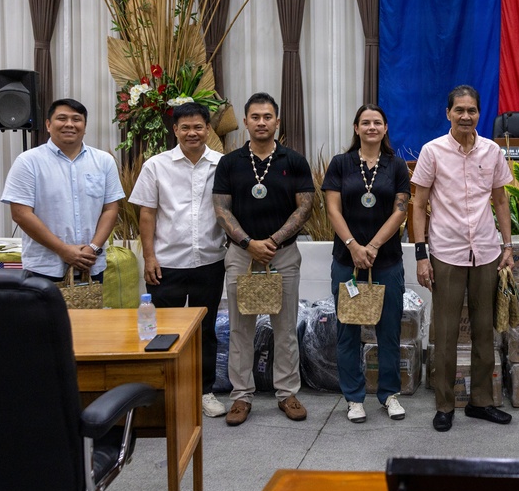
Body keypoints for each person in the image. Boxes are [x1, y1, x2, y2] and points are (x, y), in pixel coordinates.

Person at [412, 85, 515, 432]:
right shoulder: (433, 152)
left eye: (472, 110)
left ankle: (481, 402)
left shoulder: (492, 150)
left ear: (479, 113)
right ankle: (445, 404)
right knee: (447, 333)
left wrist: (508, 245)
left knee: (485, 331)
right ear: (448, 113)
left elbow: (501, 201)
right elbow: (418, 204)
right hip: (446, 252)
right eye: (459, 110)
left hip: (486, 251)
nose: (466, 116)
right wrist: (421, 253)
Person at [213, 92, 314, 426]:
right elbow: (221, 209)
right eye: (255, 117)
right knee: (240, 330)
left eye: (267, 116)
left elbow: (304, 207)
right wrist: (247, 242)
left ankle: (287, 393)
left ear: (277, 121)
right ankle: (241, 397)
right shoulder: (230, 163)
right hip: (241, 256)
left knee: (285, 328)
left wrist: (272, 241)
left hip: (282, 256)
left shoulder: (293, 160)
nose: (261, 122)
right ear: (245, 122)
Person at [128, 102, 227, 418]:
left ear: (208, 129)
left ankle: (204, 391)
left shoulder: (222, 165)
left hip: (210, 261)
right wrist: (149, 256)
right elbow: (147, 212)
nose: (192, 133)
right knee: (162, 331)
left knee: (205, 330)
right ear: (175, 131)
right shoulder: (156, 166)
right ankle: (164, 393)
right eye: (185, 127)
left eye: (198, 126)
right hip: (166, 263)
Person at [324, 104, 410, 423]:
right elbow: (333, 210)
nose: (371, 127)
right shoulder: (340, 164)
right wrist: (353, 246)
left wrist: (372, 245)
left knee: (388, 330)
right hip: (347, 262)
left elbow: (400, 211)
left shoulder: (396, 165)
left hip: (386, 261)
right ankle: (354, 397)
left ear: (385, 128)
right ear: (355, 127)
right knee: (348, 330)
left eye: (377, 122)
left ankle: (389, 394)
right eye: (365, 122)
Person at [1, 98, 123, 282]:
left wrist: (93, 248)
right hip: (44, 267)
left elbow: (111, 209)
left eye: (76, 119)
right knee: (44, 313)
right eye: (62, 118)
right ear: (48, 124)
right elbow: (21, 214)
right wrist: (63, 250)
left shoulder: (104, 161)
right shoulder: (28, 162)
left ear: (85, 125)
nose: (69, 124)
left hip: (90, 264)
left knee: (90, 312)